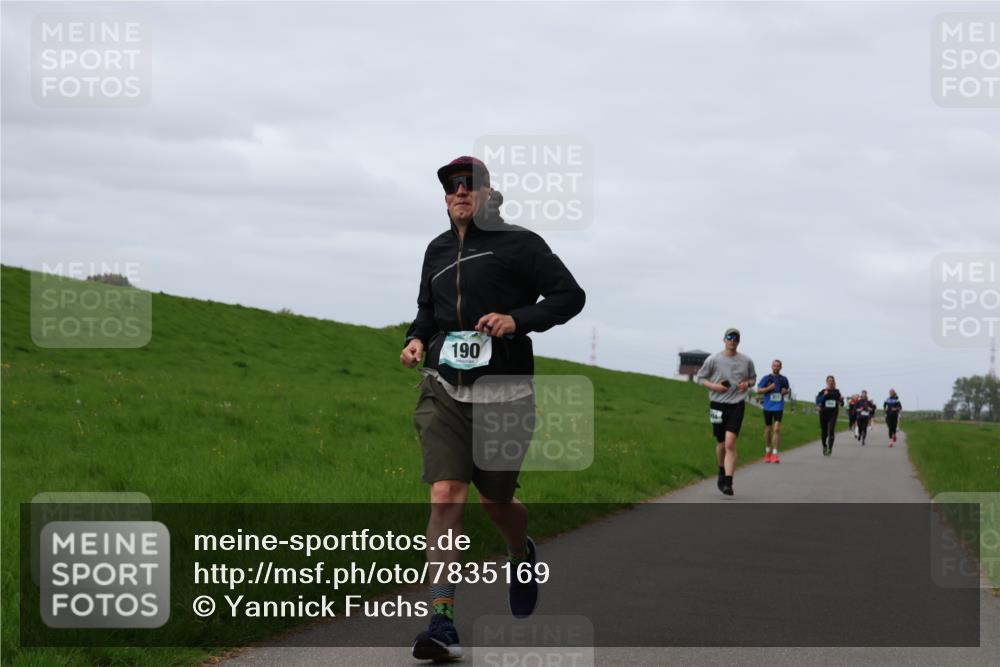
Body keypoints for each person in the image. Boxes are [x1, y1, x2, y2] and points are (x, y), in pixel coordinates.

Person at [401, 156, 585, 661]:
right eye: (451, 187)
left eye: (470, 185)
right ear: (445, 199)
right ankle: (441, 621)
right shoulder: (436, 250)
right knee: (445, 495)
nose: (460, 192)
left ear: (486, 193)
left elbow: (570, 296)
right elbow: (426, 309)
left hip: (505, 394)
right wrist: (416, 339)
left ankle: (520, 554)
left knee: (495, 503)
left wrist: (517, 319)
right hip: (444, 389)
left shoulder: (520, 244)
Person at [695, 328, 757, 496]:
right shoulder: (713, 359)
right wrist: (715, 386)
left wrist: (748, 384)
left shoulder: (746, 361)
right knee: (721, 443)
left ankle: (728, 482)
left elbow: (753, 378)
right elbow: (699, 378)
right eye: (729, 337)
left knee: (730, 442)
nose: (732, 340)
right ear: (724, 339)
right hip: (716, 404)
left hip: (737, 404)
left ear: (739, 341)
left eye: (735, 338)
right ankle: (721, 470)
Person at [755, 359, 790, 463]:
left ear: (781, 367)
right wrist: (768, 388)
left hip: (778, 406)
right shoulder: (767, 378)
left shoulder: (784, 379)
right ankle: (767, 451)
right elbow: (758, 390)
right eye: (774, 366)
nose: (776, 367)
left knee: (777, 429)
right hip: (767, 407)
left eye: (778, 366)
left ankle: (775, 453)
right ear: (772, 366)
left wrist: (785, 391)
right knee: (768, 430)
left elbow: (786, 390)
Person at [815, 376, 844, 456]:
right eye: (829, 381)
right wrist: (824, 395)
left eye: (832, 381)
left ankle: (830, 448)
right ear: (826, 382)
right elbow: (818, 401)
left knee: (831, 430)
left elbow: (841, 404)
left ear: (834, 382)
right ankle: (824, 445)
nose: (830, 382)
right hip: (824, 413)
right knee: (824, 432)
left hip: (833, 414)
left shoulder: (837, 392)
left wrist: (841, 400)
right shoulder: (823, 391)